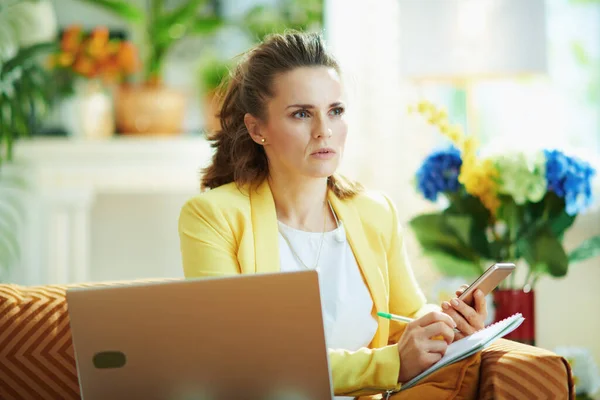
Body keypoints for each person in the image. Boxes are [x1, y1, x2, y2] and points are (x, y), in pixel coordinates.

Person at [178, 31, 568, 399]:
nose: (324, 131)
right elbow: (236, 360)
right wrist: (391, 363)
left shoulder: (373, 212)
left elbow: (407, 316)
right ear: (256, 128)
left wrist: (445, 325)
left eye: (335, 111)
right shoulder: (212, 217)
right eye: (301, 114)